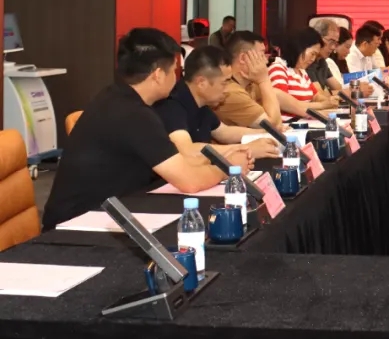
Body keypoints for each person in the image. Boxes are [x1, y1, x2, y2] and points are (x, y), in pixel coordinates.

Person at [41, 28, 249, 230]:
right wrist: (228, 168)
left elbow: (179, 162)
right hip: (75, 228)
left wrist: (222, 159)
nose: (177, 78)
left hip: (108, 213)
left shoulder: (116, 97)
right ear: (158, 75)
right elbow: (190, 182)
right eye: (174, 71)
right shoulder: (133, 114)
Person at [153, 46, 278, 159]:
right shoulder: (171, 105)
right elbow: (187, 150)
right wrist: (245, 149)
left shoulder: (201, 103)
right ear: (202, 83)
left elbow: (224, 132)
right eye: (224, 83)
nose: (227, 89)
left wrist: (267, 135)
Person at [214, 31, 285, 129]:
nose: (266, 60)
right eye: (262, 54)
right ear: (243, 58)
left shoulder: (249, 84)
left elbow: (279, 96)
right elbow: (274, 126)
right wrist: (264, 80)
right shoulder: (231, 92)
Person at [269, 27, 338, 116]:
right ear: (299, 48)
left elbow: (315, 96)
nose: (313, 59)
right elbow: (289, 105)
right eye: (312, 54)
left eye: (315, 55)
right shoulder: (278, 69)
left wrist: (329, 101)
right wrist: (322, 105)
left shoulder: (302, 72)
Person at [308, 18, 342, 92]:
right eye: (331, 41)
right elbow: (319, 94)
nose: (333, 47)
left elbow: (338, 89)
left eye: (335, 43)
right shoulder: (307, 61)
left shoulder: (322, 61)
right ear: (317, 37)